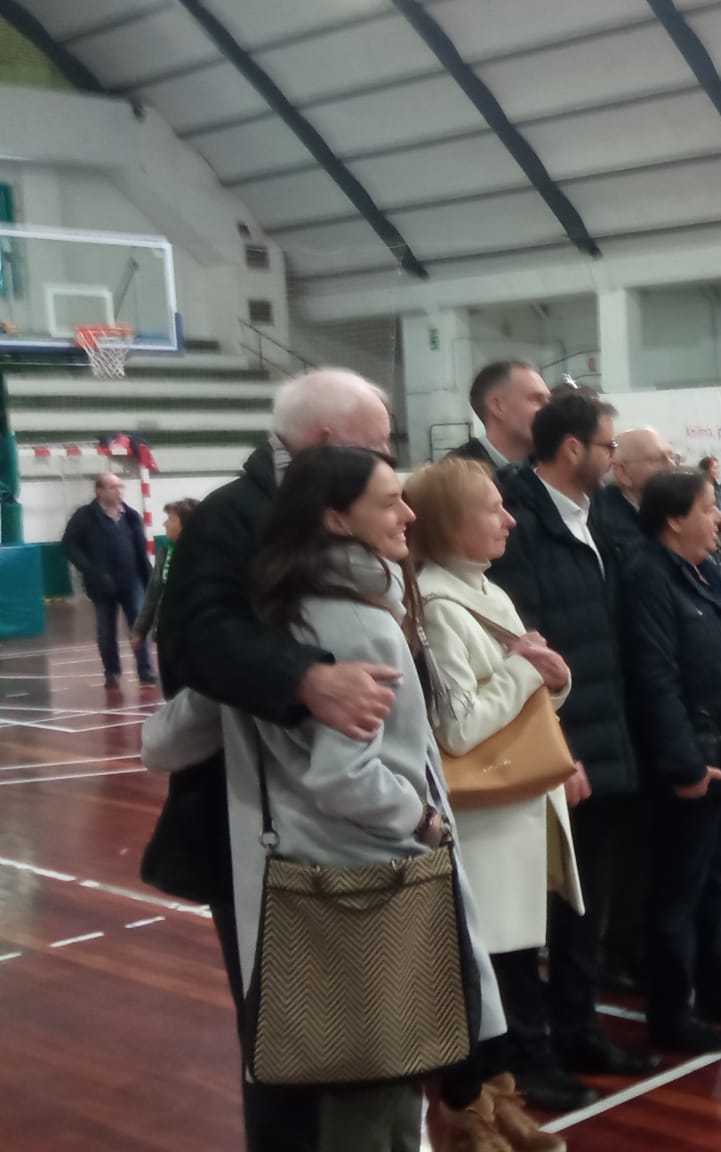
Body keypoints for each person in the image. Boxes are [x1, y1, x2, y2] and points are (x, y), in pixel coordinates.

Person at [151, 445, 508, 1152]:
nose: (408, 513)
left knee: (335, 1088)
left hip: (294, 889)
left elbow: (162, 742)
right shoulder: (362, 622)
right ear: (334, 517)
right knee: (377, 1099)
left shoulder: (263, 621)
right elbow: (343, 776)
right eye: (389, 500)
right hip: (372, 887)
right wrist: (423, 819)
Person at [146, 368, 402, 1151]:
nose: (393, 468)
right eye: (379, 446)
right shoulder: (233, 516)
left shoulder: (359, 541)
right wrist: (306, 676)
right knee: (284, 1040)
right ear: (327, 446)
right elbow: (196, 644)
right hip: (259, 824)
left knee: (366, 1040)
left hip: (346, 830)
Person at [407, 456, 591, 1136]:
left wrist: (553, 676)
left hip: (520, 807)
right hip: (484, 817)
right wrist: (524, 669)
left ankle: (503, 1102)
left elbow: (529, 693)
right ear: (451, 521)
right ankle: (472, 1114)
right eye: (492, 507)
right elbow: (457, 727)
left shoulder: (488, 591)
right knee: (481, 974)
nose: (509, 518)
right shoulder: (434, 603)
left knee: (513, 967)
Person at [489, 389, 659, 1082]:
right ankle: (533, 1054)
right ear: (572, 451)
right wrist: (560, 750)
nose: (614, 458)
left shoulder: (593, 520)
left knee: (584, 911)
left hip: (604, 743)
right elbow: (525, 652)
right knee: (542, 916)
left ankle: (579, 1030)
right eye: (608, 446)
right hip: (560, 757)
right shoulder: (522, 524)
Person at [620, 467, 721, 1054]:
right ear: (673, 519)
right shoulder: (648, 577)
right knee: (678, 895)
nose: (720, 517)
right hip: (696, 765)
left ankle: (718, 987)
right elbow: (655, 677)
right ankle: (671, 1011)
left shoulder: (706, 571)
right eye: (709, 507)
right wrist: (684, 761)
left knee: (714, 884)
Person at [63, 472, 156, 687]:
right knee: (106, 630)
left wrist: (149, 578)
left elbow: (140, 551)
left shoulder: (131, 516)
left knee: (140, 626)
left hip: (132, 581)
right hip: (101, 584)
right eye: (113, 487)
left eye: (120, 487)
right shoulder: (84, 516)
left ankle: (145, 670)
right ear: (99, 491)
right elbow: (69, 545)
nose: (118, 491)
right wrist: (89, 569)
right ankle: (112, 672)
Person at [453, 360, 551, 468]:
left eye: (549, 400)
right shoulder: (453, 478)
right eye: (536, 399)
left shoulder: (553, 469)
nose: (550, 408)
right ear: (498, 407)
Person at [593, 426, 675, 547]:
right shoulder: (605, 527)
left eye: (673, 457)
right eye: (657, 459)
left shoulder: (673, 512)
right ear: (622, 471)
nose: (672, 467)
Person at [132, 497, 196, 649]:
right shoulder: (165, 553)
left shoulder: (203, 555)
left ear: (186, 526)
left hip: (196, 633)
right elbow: (153, 593)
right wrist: (139, 630)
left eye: (171, 519)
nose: (165, 524)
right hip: (168, 631)